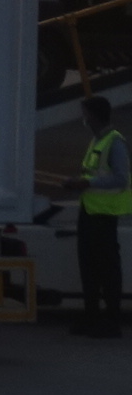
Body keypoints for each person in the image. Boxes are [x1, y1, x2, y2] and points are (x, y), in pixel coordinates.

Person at [80, 95, 127, 341]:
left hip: (103, 215)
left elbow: (121, 178)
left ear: (95, 116)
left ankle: (111, 321)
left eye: (85, 114)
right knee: (89, 268)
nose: (83, 118)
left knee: (107, 271)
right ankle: (92, 318)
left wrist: (87, 182)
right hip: (89, 211)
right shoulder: (97, 140)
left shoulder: (114, 142)